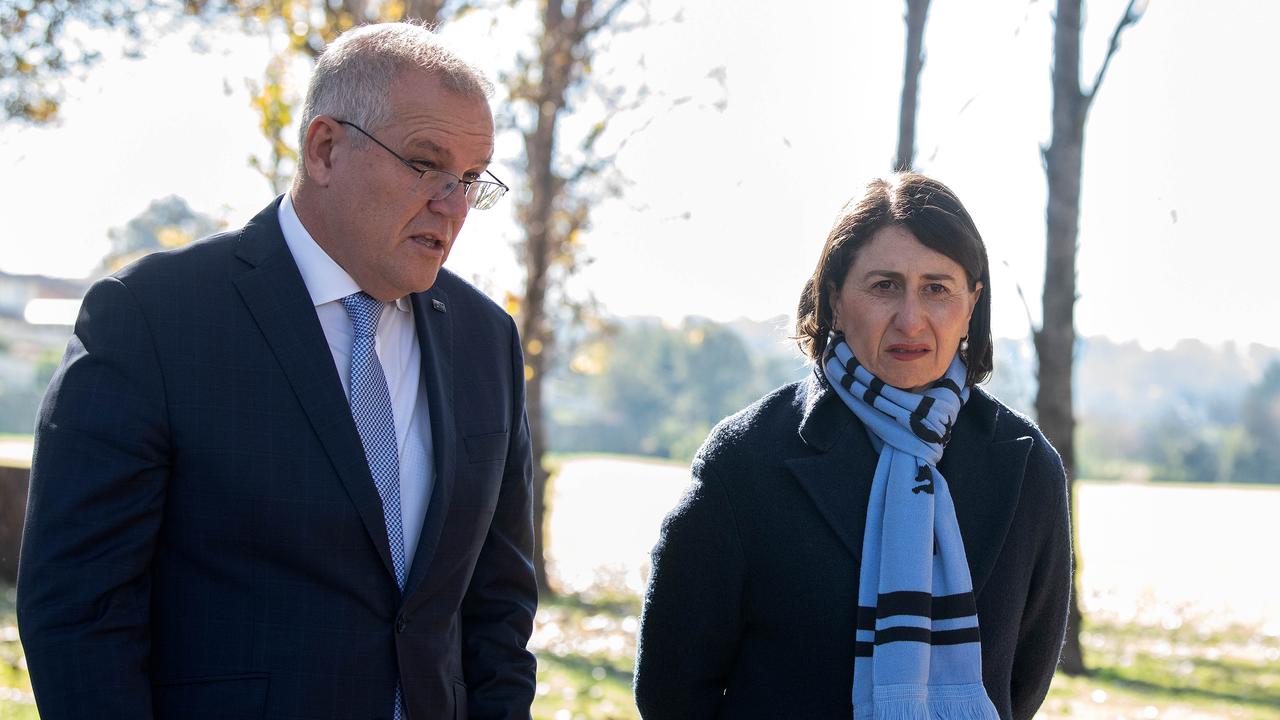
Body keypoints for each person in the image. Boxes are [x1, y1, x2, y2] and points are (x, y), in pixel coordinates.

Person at [18, 22, 536, 720]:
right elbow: (79, 611)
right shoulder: (153, 318)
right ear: (324, 148)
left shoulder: (486, 339)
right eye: (425, 164)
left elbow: (499, 607)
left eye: (471, 179)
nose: (452, 205)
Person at [634, 173, 1070, 720]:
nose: (911, 319)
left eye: (937, 288)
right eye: (884, 285)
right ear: (835, 299)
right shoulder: (745, 462)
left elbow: (1020, 685)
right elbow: (671, 689)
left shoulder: (1027, 465)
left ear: (970, 304)